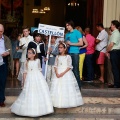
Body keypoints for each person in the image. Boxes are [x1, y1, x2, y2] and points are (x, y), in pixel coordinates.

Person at [11, 48, 54, 117]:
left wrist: (42, 80)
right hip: (29, 77)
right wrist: (24, 82)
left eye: (30, 53)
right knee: (29, 92)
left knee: (38, 92)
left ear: (34, 54)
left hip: (37, 77)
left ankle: (41, 109)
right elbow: (25, 72)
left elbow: (40, 70)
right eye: (28, 53)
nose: (28, 54)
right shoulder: (26, 62)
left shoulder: (37, 60)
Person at [50, 42, 84, 108]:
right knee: (57, 87)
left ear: (65, 49)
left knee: (66, 87)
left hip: (65, 73)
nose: (59, 49)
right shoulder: (57, 56)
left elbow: (69, 66)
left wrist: (62, 73)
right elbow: (55, 65)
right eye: (59, 47)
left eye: (61, 47)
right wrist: (57, 73)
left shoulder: (68, 56)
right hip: (58, 72)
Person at [65, 20, 83, 89]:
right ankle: (71, 87)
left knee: (75, 70)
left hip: (75, 52)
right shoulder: (67, 34)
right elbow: (66, 43)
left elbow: (81, 43)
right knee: (69, 70)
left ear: (71, 25)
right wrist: (66, 45)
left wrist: (71, 44)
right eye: (66, 26)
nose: (67, 27)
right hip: (68, 52)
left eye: (68, 25)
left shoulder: (77, 32)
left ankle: (78, 87)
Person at [0, 24, 13, 107]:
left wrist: (7, 53)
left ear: (3, 31)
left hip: (3, 61)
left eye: (1, 31)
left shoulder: (6, 39)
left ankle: (1, 100)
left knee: (2, 81)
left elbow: (10, 50)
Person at [106, 20, 120, 88]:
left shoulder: (116, 33)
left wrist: (107, 51)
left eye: (111, 25)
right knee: (114, 68)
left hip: (115, 52)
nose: (110, 26)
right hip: (114, 51)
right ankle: (116, 83)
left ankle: (117, 84)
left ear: (114, 25)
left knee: (115, 68)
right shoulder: (114, 33)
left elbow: (111, 44)